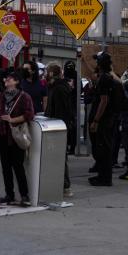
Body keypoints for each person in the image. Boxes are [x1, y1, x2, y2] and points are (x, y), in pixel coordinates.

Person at [0, 72, 34, 206]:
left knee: (18, 165)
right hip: (3, 133)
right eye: (6, 79)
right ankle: (9, 194)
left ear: (16, 81)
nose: (6, 81)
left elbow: (29, 114)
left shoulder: (24, 97)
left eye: (10, 79)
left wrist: (12, 119)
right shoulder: (0, 96)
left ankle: (24, 195)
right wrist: (4, 118)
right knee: (5, 166)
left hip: (17, 134)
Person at [44, 63, 74, 197]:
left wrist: (58, 126)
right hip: (56, 125)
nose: (44, 73)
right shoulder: (54, 87)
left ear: (51, 73)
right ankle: (60, 184)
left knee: (60, 157)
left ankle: (65, 186)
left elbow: (62, 112)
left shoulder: (59, 89)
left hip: (59, 127)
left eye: (46, 71)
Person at [88, 52, 118, 186]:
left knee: (104, 148)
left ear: (101, 64)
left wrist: (96, 120)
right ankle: (102, 176)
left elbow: (104, 101)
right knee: (102, 148)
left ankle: (105, 179)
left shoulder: (105, 79)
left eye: (97, 62)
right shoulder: (105, 77)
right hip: (106, 119)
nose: (96, 64)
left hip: (104, 120)